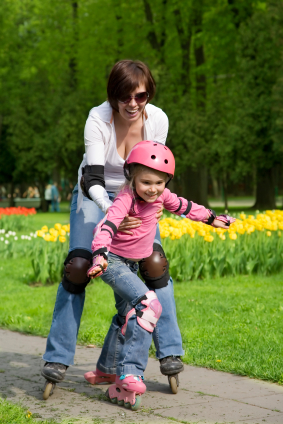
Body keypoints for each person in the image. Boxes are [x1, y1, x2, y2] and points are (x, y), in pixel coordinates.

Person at [41, 60, 185, 397]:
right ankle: (57, 358)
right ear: (113, 95)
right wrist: (113, 213)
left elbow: (154, 171)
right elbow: (91, 177)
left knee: (154, 263)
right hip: (96, 194)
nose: (133, 103)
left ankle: (169, 351)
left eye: (141, 95)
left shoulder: (158, 119)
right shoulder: (97, 119)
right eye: (125, 96)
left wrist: (152, 204)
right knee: (78, 266)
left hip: (139, 193)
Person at [86, 140, 235, 409]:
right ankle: (129, 373)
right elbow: (106, 225)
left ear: (166, 181)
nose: (153, 189)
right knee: (148, 305)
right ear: (132, 178)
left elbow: (185, 206)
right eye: (146, 182)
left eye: (159, 182)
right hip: (113, 263)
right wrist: (100, 254)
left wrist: (212, 218)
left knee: (125, 316)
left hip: (133, 264)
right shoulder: (125, 199)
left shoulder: (162, 196)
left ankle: (106, 369)